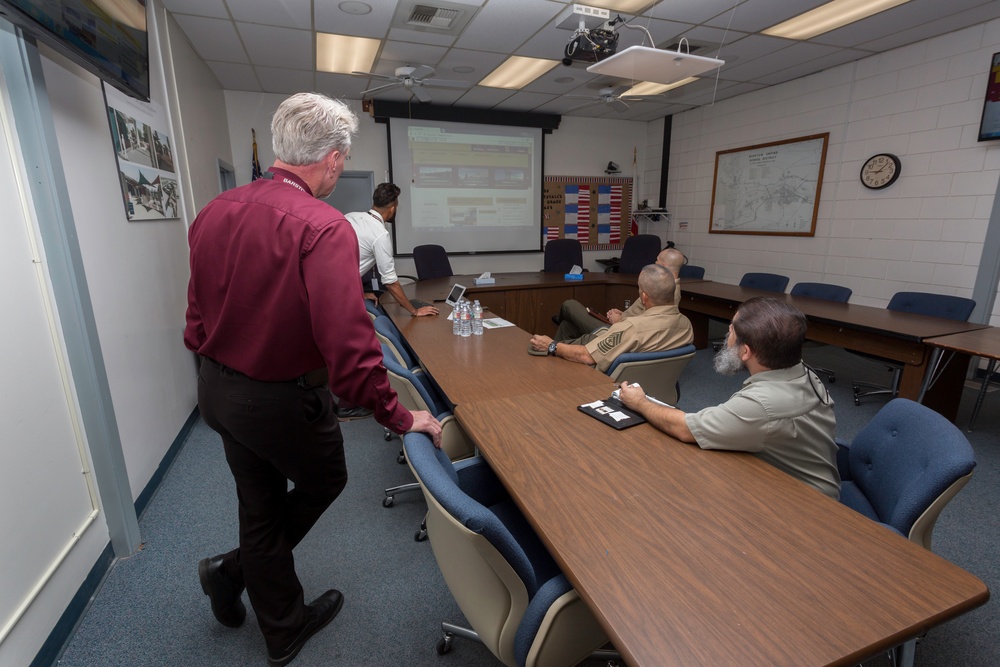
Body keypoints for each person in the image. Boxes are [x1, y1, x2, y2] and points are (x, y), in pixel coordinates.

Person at [184, 92, 443, 667]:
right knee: (325, 480)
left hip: (218, 390)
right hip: (280, 401)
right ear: (331, 158)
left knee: (259, 506)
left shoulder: (214, 210)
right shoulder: (323, 228)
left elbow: (196, 316)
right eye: (342, 161)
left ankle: (276, 621)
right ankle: (233, 573)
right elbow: (350, 352)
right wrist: (401, 417)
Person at [618, 296, 840, 499]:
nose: (727, 336)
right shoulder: (803, 372)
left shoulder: (761, 405)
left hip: (808, 504)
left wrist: (640, 402)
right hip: (797, 476)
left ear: (745, 352)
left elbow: (685, 429)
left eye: (732, 331)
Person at [528, 264, 693, 373]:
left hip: (608, 385)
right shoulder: (687, 326)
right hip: (651, 386)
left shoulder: (631, 328)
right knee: (566, 326)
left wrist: (551, 346)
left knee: (544, 345)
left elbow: (586, 356)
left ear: (644, 297)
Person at [552, 246, 686, 341]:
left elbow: (647, 327)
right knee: (567, 327)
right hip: (621, 324)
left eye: (657, 260)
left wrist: (619, 321)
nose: (654, 263)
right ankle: (553, 358)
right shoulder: (665, 285)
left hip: (618, 332)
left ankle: (561, 318)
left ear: (665, 266)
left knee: (569, 305)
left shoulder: (668, 292)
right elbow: (643, 315)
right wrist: (623, 314)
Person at [346, 183, 438, 317]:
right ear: (392, 209)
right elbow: (390, 282)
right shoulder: (380, 235)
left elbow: (346, 263)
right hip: (334, 296)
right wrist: (415, 311)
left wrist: (360, 294)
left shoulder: (350, 216)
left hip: (323, 284)